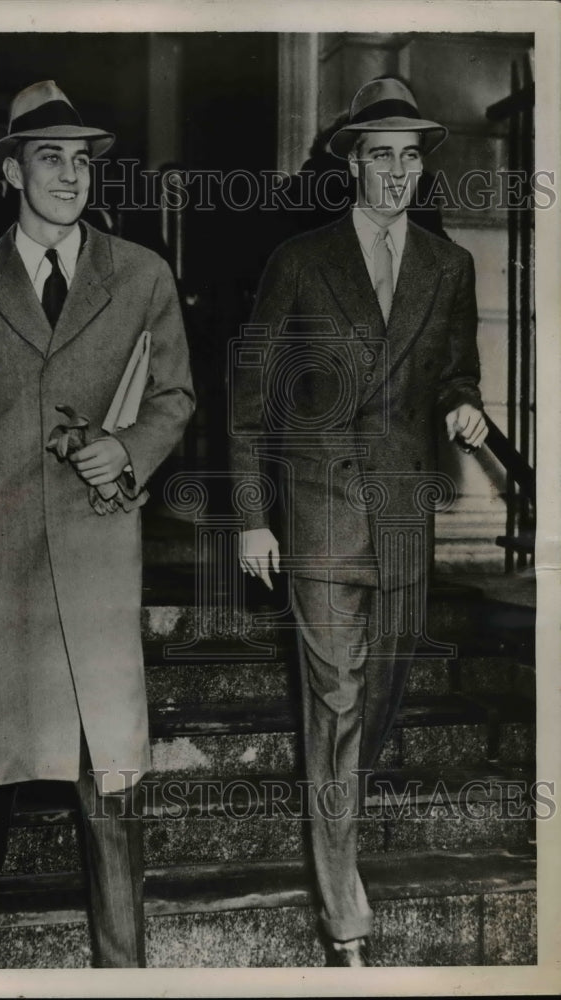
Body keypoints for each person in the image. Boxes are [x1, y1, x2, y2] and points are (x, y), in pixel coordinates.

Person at [0, 80, 195, 968]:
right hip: (7, 548)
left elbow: (174, 395)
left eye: (81, 159)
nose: (70, 175)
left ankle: (123, 960)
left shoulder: (141, 274)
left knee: (107, 752)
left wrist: (130, 449)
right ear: (10, 171)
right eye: (49, 157)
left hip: (102, 544)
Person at [229, 77, 487, 966]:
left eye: (410, 157)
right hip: (321, 516)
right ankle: (344, 911)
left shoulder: (448, 266)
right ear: (350, 164)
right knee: (334, 699)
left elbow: (458, 371)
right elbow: (249, 396)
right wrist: (252, 518)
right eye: (380, 155)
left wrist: (461, 407)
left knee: (378, 698)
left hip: (403, 515)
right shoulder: (300, 261)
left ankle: (336, 814)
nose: (396, 173)